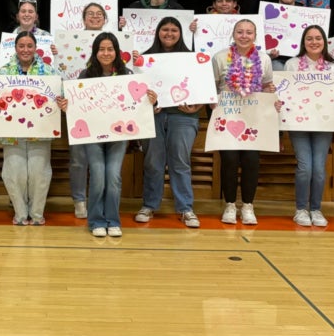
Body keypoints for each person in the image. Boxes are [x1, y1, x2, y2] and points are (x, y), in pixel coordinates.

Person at [58, 32, 156, 238]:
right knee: (98, 176)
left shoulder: (127, 74)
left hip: (117, 136)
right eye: (101, 49)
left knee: (113, 176)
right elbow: (76, 105)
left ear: (117, 52)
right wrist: (67, 106)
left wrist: (151, 102)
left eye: (110, 49)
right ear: (95, 52)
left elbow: (137, 106)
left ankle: (113, 220)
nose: (106, 53)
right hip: (92, 136)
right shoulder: (86, 75)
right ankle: (95, 221)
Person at [134, 18, 202, 228]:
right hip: (153, 116)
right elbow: (136, 91)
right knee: (153, 162)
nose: (169, 33)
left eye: (174, 30)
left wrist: (196, 107)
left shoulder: (192, 58)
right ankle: (149, 205)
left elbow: (202, 87)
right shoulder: (145, 58)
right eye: (165, 29)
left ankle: (185, 208)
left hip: (183, 116)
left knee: (180, 162)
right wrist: (147, 105)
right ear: (158, 32)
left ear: (180, 33)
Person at [211, 19, 276, 225]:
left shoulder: (264, 59)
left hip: (253, 119)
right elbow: (211, 87)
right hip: (227, 117)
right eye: (240, 32)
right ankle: (230, 205)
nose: (244, 36)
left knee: (251, 161)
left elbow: (267, 85)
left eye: (249, 32)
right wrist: (213, 104)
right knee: (229, 160)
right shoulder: (220, 57)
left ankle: (248, 205)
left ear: (255, 36)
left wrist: (270, 92)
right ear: (234, 34)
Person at [283, 26, 334, 227]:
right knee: (305, 167)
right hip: (298, 123)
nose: (314, 42)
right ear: (303, 42)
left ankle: (316, 209)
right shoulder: (292, 64)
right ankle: (301, 209)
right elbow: (284, 90)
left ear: (324, 42)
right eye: (309, 38)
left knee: (319, 168)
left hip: (323, 124)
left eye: (318, 38)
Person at [0, 31, 57, 225]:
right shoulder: (4, 71)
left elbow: (59, 94)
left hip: (40, 130)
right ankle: (21, 214)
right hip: (11, 132)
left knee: (39, 173)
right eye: (21, 46)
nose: (25, 50)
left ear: (35, 48)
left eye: (29, 46)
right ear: (15, 48)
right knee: (14, 173)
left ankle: (37, 215)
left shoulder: (49, 72)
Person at [64, 2, 110, 218]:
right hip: (83, 122)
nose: (94, 17)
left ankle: (101, 200)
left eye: (98, 14)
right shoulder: (84, 71)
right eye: (90, 14)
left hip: (110, 121)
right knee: (79, 159)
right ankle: (80, 200)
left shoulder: (120, 64)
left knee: (106, 163)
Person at [268, 0, 303, 71]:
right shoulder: (268, 10)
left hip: (300, 59)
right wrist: (268, 54)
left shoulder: (305, 12)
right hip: (276, 58)